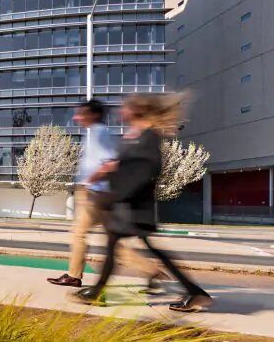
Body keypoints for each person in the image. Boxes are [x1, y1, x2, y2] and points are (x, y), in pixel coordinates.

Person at [73, 94, 211, 312]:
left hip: (134, 206)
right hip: (127, 204)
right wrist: (109, 171)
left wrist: (113, 193)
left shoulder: (148, 137)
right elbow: (126, 166)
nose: (120, 112)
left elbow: (145, 172)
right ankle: (98, 291)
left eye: (124, 108)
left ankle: (195, 292)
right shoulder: (136, 135)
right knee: (116, 246)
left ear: (136, 110)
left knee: (137, 249)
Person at [47, 99, 159, 290]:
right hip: (99, 193)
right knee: (112, 240)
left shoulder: (100, 134)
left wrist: (93, 179)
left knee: (79, 234)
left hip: (94, 194)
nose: (77, 117)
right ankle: (150, 270)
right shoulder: (97, 133)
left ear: (93, 114)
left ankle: (74, 276)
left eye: (81, 113)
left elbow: (112, 160)